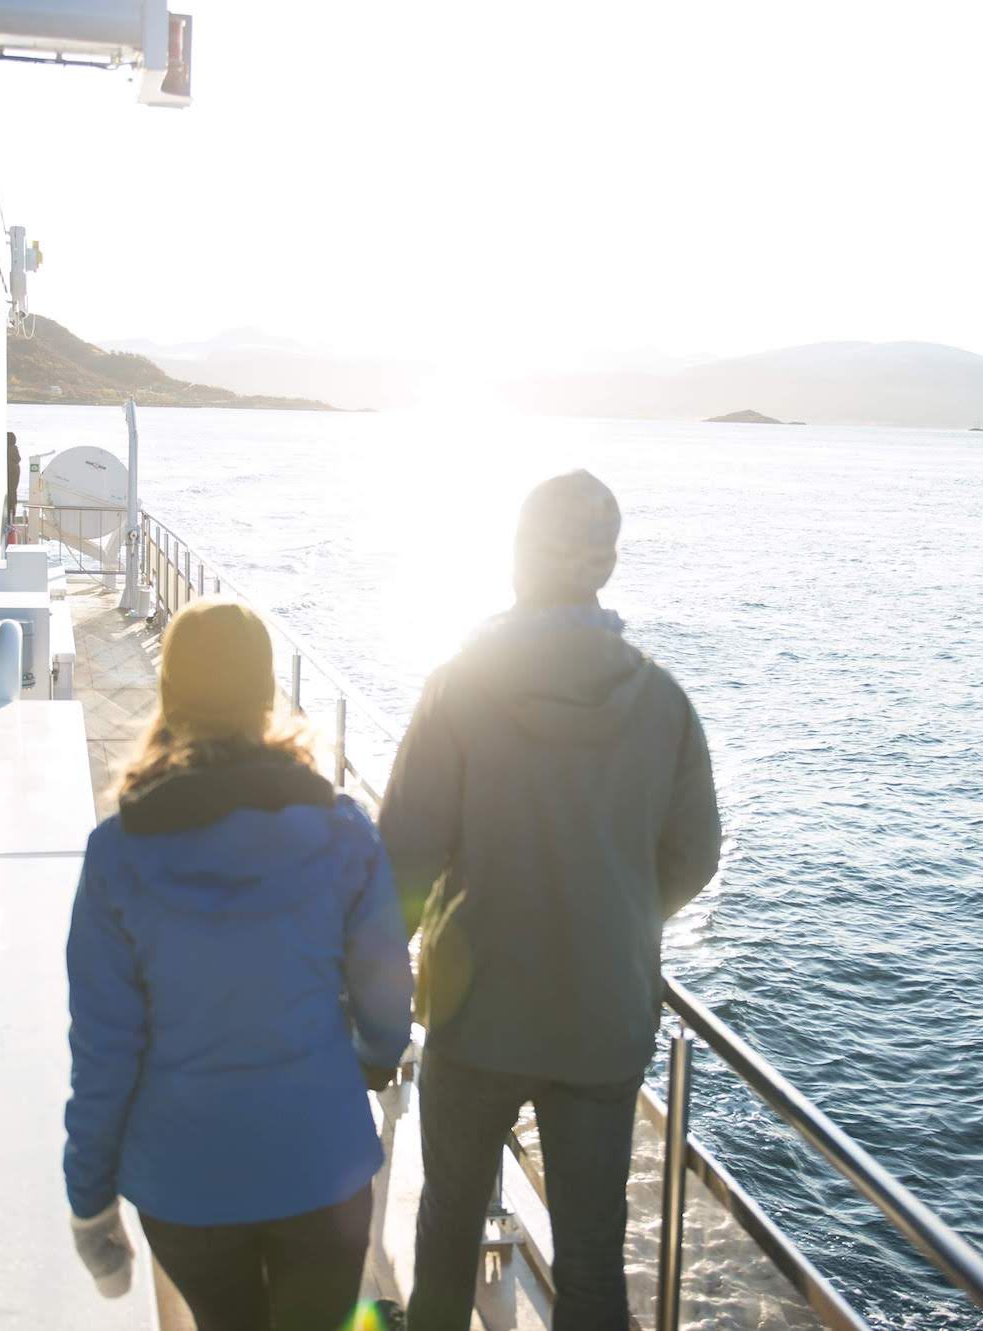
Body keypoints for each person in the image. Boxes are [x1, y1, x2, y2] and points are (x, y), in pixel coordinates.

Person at [379, 470, 722, 1331]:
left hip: (475, 1007)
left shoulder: (460, 686)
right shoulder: (663, 703)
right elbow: (695, 853)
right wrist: (614, 913)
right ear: (603, 565)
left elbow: (403, 863)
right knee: (594, 1257)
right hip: (601, 1019)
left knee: (449, 1224)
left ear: (518, 559)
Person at [63, 598, 413, 1329]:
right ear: (265, 697)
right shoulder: (345, 833)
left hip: (185, 1182)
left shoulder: (118, 855)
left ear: (170, 696)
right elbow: (386, 1002)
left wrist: (91, 1203)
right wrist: (367, 1057)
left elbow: (104, 1051)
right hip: (321, 1163)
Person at [5, 430, 21, 538]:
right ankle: (12, 515)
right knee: (13, 494)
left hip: (10, 476)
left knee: (11, 494)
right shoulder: (13, 450)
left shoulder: (7, 452)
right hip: (14, 474)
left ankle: (10, 516)